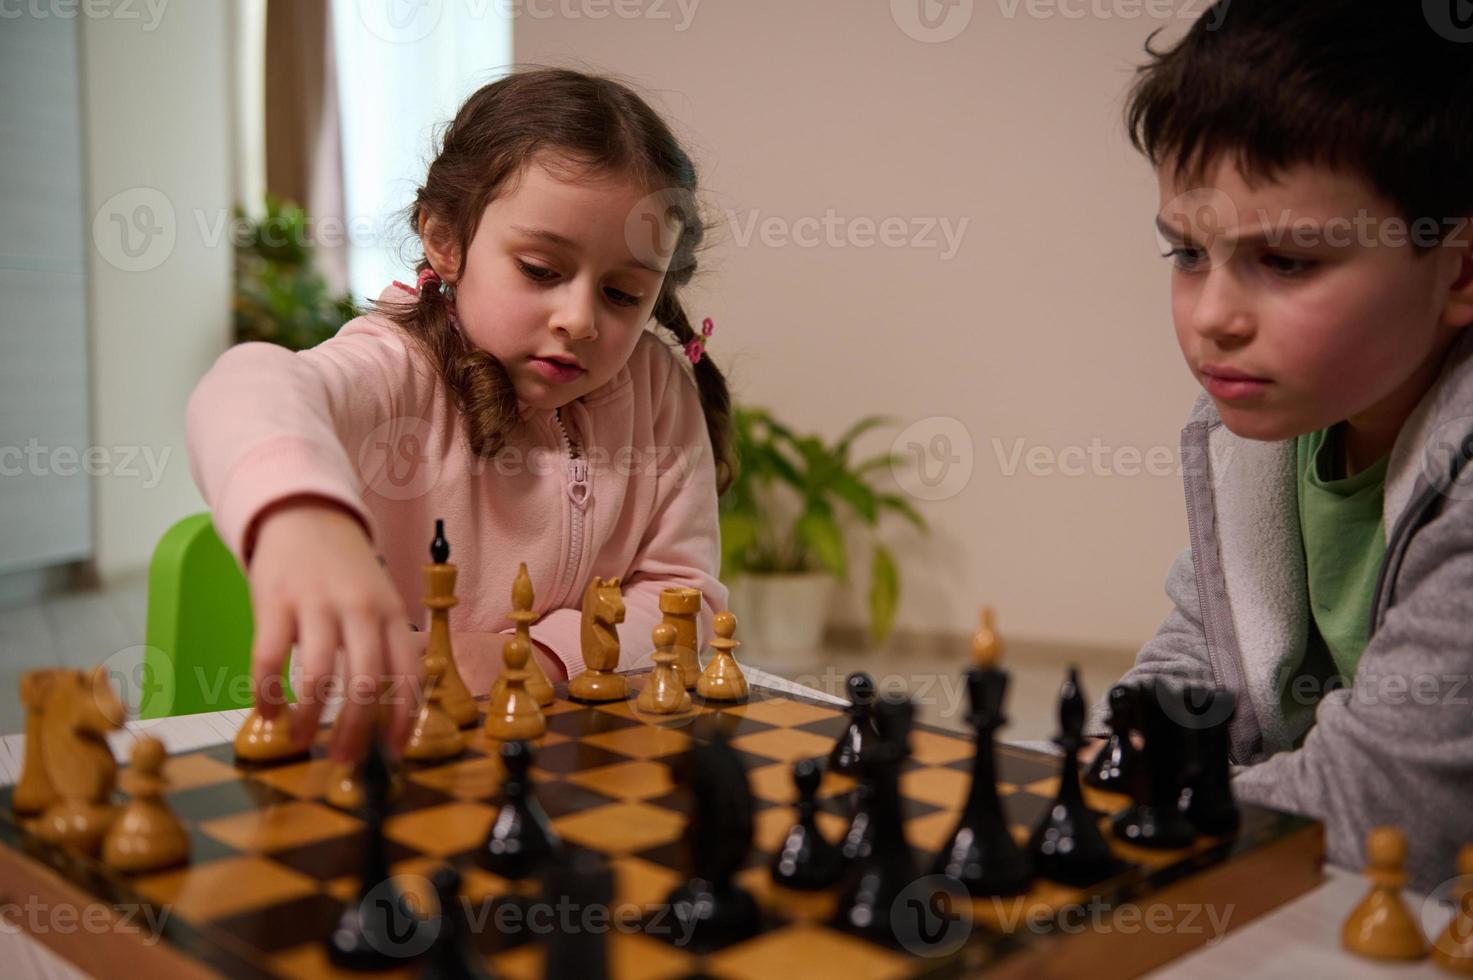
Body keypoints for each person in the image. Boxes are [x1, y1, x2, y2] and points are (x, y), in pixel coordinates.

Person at [186, 69, 732, 762]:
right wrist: (302, 512)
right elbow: (243, 386)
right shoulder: (391, 372)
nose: (579, 320)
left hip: (582, 757)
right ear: (446, 240)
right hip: (394, 751)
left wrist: (536, 655)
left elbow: (686, 601)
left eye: (623, 294)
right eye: (539, 269)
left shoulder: (658, 393)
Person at [1099, 1, 1473, 892]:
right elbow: (1206, 644)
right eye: (1187, 254)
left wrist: (1141, 813)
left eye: (1289, 261)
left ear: (1457, 271)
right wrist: (1117, 759)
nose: (1212, 317)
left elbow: (1379, 809)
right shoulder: (1269, 431)